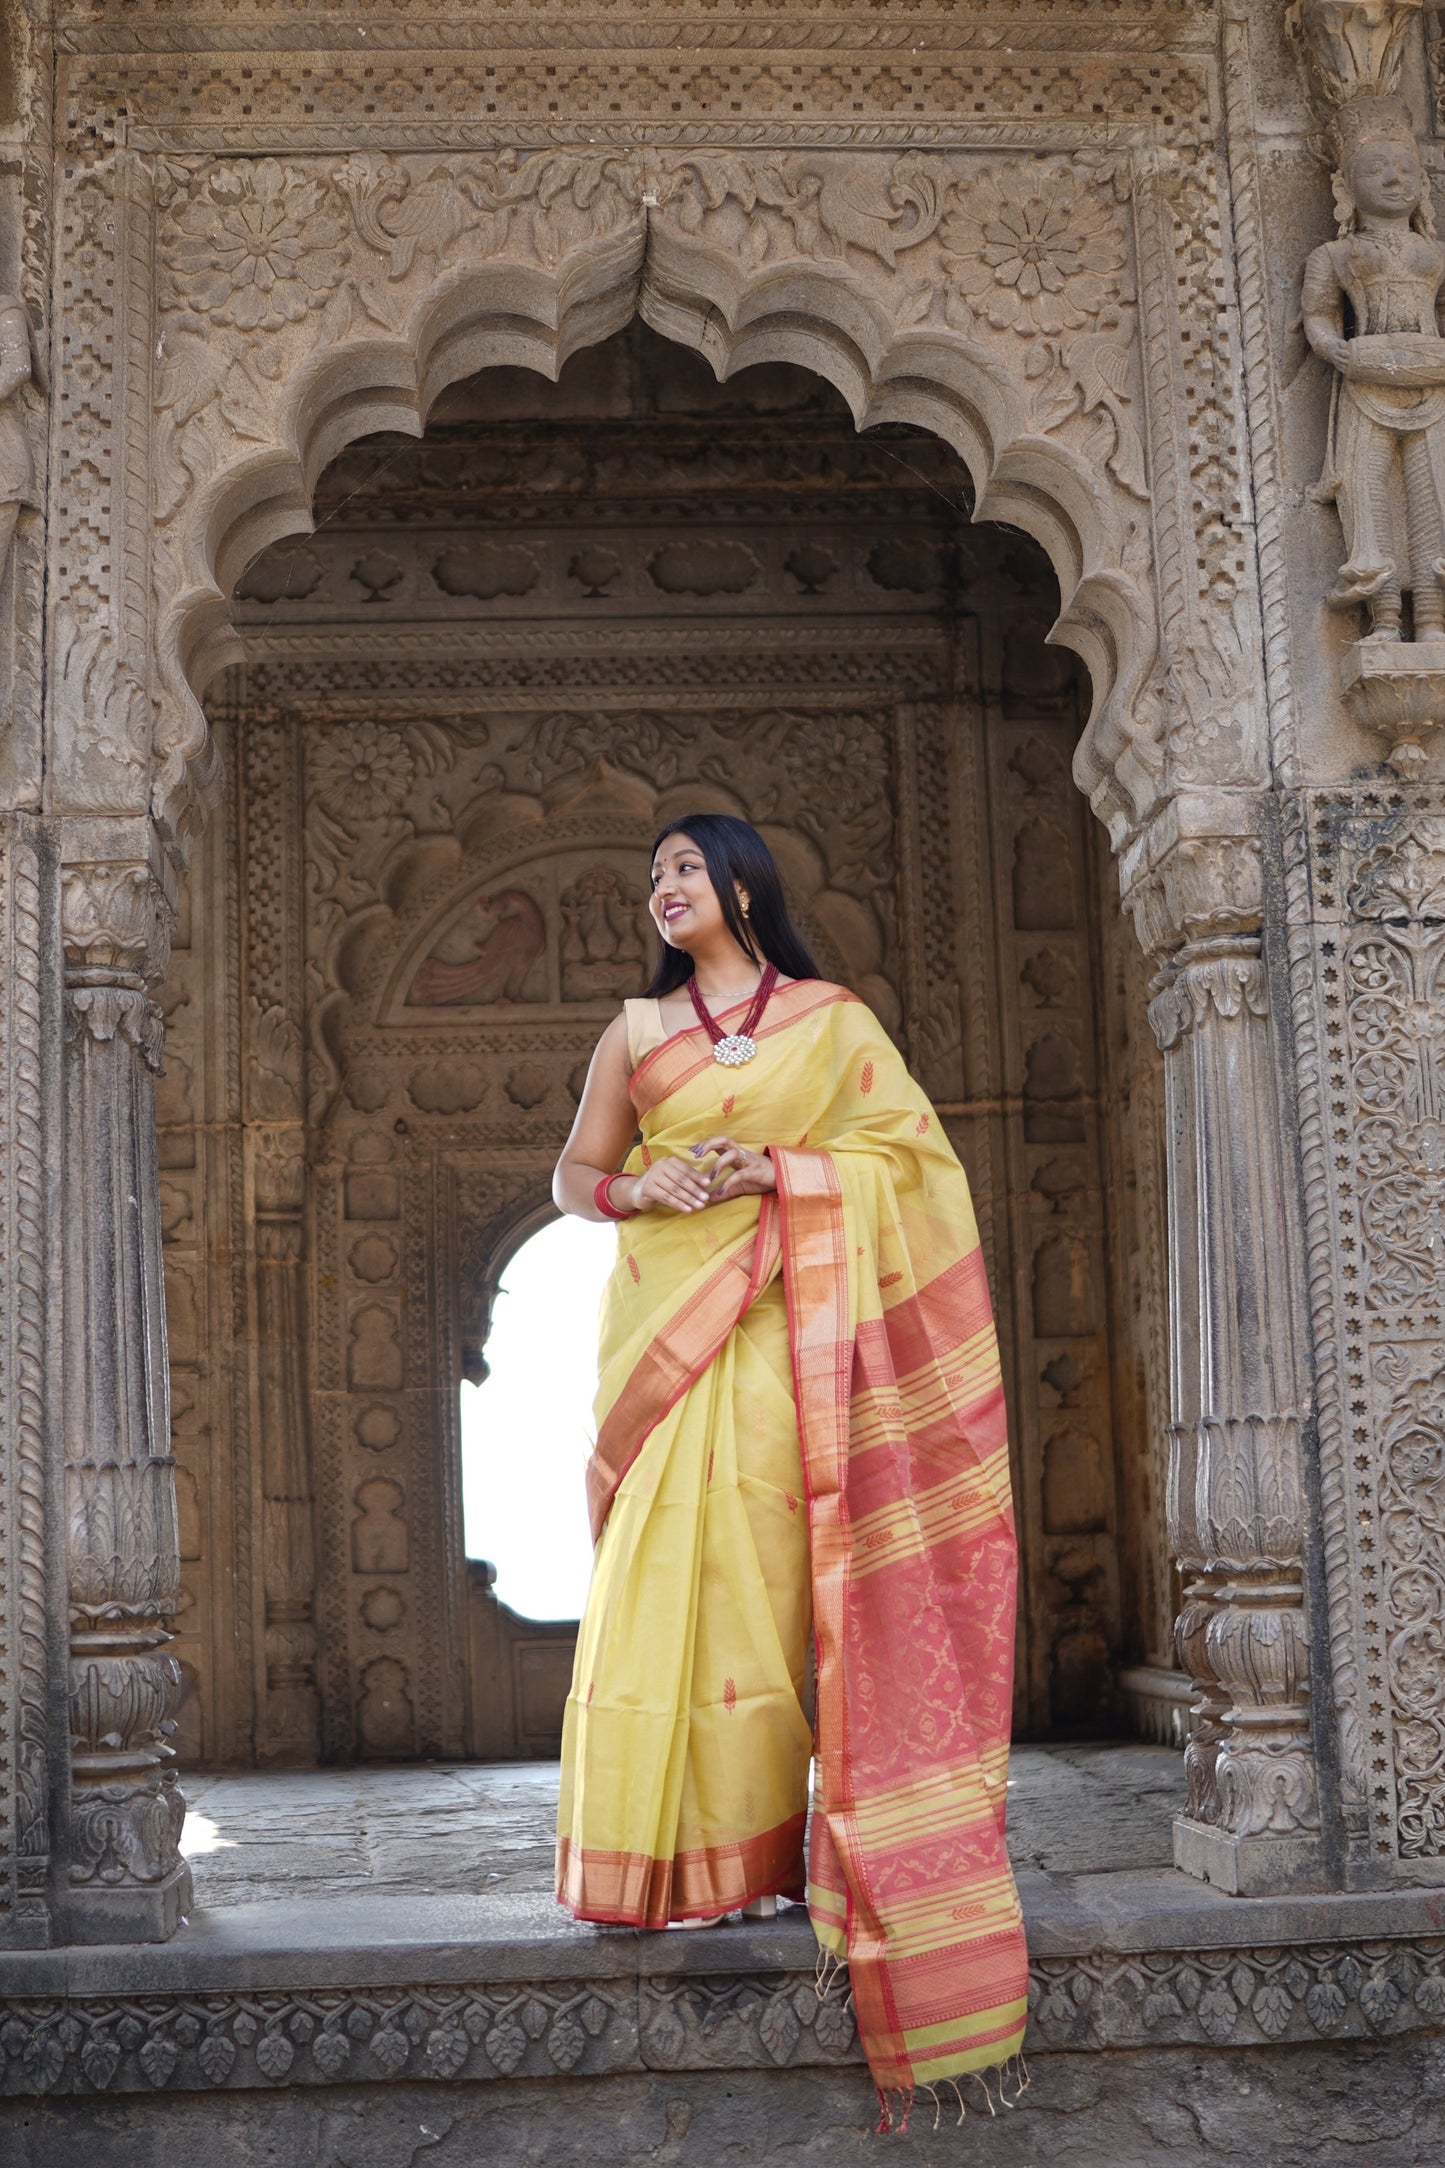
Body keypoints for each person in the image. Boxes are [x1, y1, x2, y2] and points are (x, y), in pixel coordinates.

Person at [551, 811, 1027, 2116]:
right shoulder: (633, 1035)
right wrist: (638, 1195)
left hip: (786, 1335)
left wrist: (780, 1167)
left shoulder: (832, 1022)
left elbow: (910, 1166)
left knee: (759, 1579)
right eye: (651, 873)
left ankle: (753, 1854)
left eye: (685, 868)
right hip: (665, 1330)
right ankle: (660, 1863)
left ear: (743, 882)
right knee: (660, 1572)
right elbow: (572, 1176)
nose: (663, 888)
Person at [1302, 94, 1445, 641]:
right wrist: (1334, 348)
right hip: (1365, 383)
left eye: (1407, 167)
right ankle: (1384, 616)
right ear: (1345, 187)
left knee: (1431, 494)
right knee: (1368, 497)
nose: (1394, 177)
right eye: (1377, 167)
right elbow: (1317, 314)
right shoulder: (1335, 256)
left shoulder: (1434, 254)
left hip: (1428, 384)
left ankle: (1431, 619)